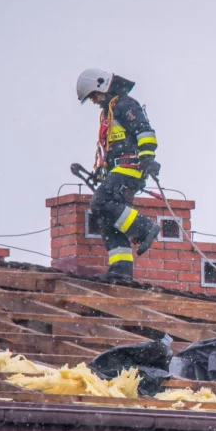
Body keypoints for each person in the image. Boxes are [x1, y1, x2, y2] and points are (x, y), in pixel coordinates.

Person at [76, 68, 162, 280]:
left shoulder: (125, 105)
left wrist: (148, 157)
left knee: (100, 203)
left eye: (94, 95)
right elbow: (112, 147)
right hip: (117, 169)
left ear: (102, 84)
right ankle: (121, 271)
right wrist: (100, 173)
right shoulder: (108, 112)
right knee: (107, 217)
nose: (95, 100)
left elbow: (144, 130)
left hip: (130, 168)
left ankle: (144, 228)